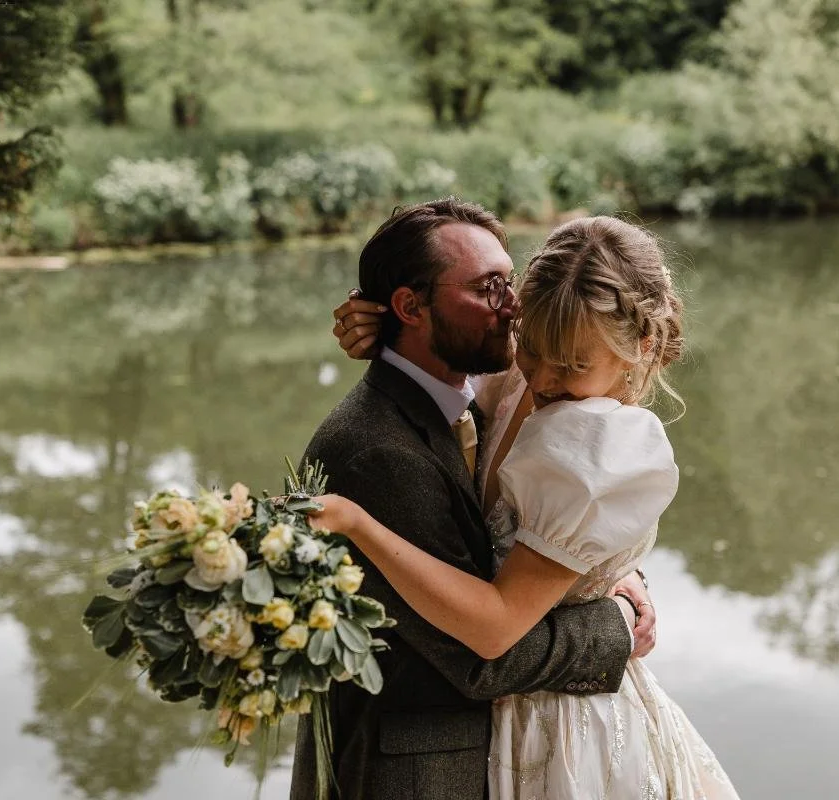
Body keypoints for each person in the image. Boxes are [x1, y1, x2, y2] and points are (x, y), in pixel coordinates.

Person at [313, 211, 740, 799]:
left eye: (571, 365)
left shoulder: (602, 443)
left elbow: (498, 625)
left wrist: (614, 599)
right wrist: (384, 323)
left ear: (638, 348)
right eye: (534, 347)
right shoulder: (511, 377)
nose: (544, 377)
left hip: (573, 727)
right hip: (502, 719)